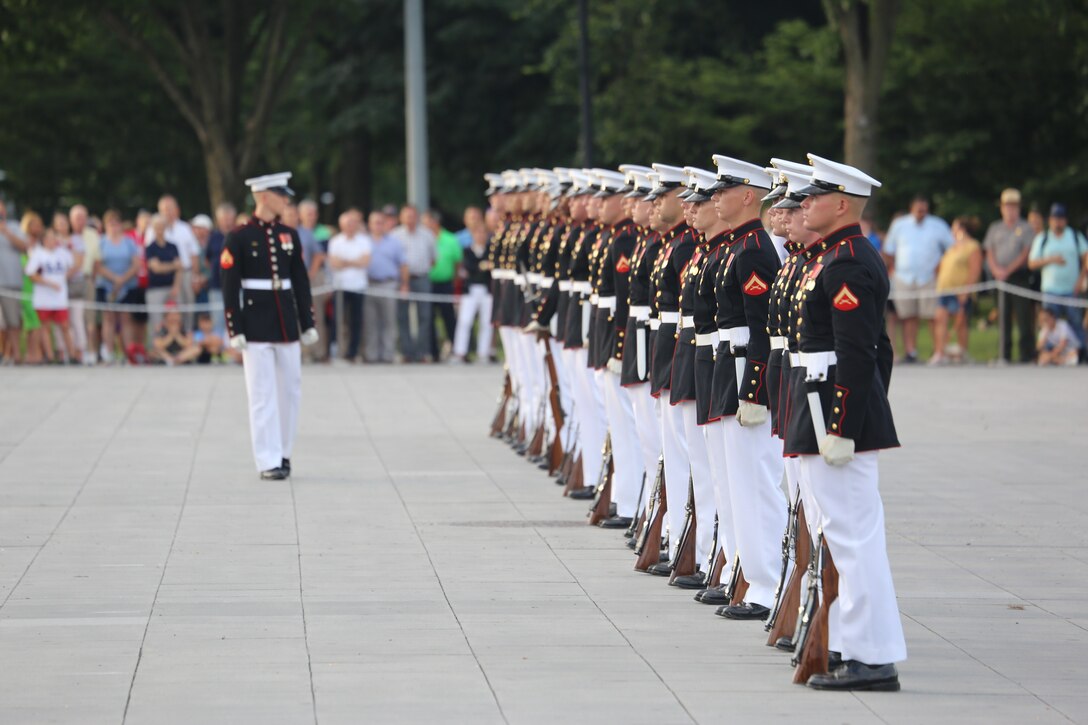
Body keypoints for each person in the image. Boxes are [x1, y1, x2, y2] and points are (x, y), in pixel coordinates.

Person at [788, 153, 905, 691]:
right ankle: (853, 645)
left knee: (853, 536)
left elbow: (860, 354)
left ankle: (871, 656)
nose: (802, 203)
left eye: (814, 196)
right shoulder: (836, 256)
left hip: (836, 413)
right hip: (825, 406)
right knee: (842, 532)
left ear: (841, 204)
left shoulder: (850, 262)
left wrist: (843, 426)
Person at [220, 172, 318, 480]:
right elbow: (229, 286)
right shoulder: (238, 236)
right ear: (263, 196)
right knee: (262, 393)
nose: (286, 199)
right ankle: (267, 459)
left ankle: (284, 452)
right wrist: (235, 328)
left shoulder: (289, 234)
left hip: (285, 320)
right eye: (280, 194)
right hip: (256, 320)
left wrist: (307, 321)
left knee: (291, 389)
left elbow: (300, 281)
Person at [882, 194, 952, 362]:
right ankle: (911, 351)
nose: (921, 212)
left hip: (929, 277)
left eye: (924, 210)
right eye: (919, 209)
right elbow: (889, 249)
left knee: (932, 315)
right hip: (904, 277)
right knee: (908, 316)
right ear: (912, 208)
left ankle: (938, 351)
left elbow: (951, 248)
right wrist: (893, 267)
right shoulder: (900, 225)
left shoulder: (937, 225)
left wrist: (940, 266)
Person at [982, 188, 1037, 363]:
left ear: (1018, 208)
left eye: (1013, 206)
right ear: (1002, 208)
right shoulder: (995, 228)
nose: (1010, 210)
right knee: (1003, 316)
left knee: (1023, 317)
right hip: (999, 277)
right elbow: (989, 251)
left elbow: (1026, 253)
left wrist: (1008, 270)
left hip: (1018, 276)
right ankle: (1004, 354)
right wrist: (996, 269)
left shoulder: (1025, 227)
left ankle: (1026, 354)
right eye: (1007, 206)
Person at [1028, 203, 1088, 353]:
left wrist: (1081, 279)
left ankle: (1082, 353)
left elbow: (1086, 257)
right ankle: (1048, 353)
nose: (1057, 222)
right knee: (1048, 324)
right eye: (1055, 218)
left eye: (1060, 218)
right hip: (1050, 290)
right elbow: (1032, 263)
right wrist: (1051, 259)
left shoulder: (1074, 236)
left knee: (1076, 322)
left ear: (1065, 220)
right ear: (1050, 220)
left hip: (1071, 289)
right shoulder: (1043, 238)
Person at [931, 216, 983, 365]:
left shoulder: (972, 246)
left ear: (961, 228)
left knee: (960, 322)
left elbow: (975, 270)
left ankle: (962, 352)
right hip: (944, 289)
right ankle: (940, 352)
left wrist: (966, 291)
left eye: (954, 227)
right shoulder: (952, 247)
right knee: (940, 319)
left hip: (960, 289)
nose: (952, 231)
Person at [95, 210, 141, 364]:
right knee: (108, 318)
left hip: (127, 284)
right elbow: (98, 265)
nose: (114, 227)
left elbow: (136, 264)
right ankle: (108, 352)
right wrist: (114, 278)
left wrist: (123, 279)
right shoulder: (101, 242)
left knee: (126, 318)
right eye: (110, 224)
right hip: (107, 285)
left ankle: (129, 352)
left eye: (116, 223)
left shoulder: (128, 242)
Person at [25, 227, 76, 363]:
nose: (52, 241)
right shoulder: (38, 254)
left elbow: (73, 267)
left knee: (64, 325)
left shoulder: (63, 253)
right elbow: (31, 274)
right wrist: (48, 283)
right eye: (48, 238)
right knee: (45, 327)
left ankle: (72, 354)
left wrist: (64, 278)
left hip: (60, 297)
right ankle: (50, 355)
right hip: (44, 297)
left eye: (54, 237)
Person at [391, 204, 436, 361]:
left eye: (412, 216)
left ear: (417, 217)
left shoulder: (427, 235)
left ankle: (421, 352)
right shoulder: (395, 235)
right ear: (401, 218)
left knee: (425, 316)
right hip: (401, 280)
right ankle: (407, 352)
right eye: (407, 216)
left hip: (422, 277)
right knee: (402, 316)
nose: (410, 219)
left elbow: (433, 259)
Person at [327, 209, 371, 362]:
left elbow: (365, 261)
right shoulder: (336, 241)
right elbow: (334, 263)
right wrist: (354, 262)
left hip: (358, 286)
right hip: (340, 286)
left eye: (352, 224)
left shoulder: (364, 240)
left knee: (356, 321)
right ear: (341, 225)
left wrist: (345, 262)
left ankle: (352, 352)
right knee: (338, 320)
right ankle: (336, 349)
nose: (350, 227)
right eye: (347, 224)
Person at [363, 211, 407, 363]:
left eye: (381, 222)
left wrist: (404, 284)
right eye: (375, 222)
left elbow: (403, 264)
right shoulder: (363, 241)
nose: (378, 226)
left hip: (388, 284)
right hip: (368, 284)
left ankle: (388, 354)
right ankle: (372, 354)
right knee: (370, 322)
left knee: (389, 321)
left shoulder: (394, 242)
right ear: (370, 224)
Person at [423, 209, 463, 361]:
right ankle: (433, 352)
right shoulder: (424, 238)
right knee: (429, 318)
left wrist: (454, 280)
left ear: (434, 222)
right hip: (428, 283)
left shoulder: (450, 239)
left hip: (446, 283)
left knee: (449, 318)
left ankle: (456, 349)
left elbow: (457, 263)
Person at [158, 194, 202, 329]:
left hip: (186, 274)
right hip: (164, 276)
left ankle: (187, 334)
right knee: (166, 310)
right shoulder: (154, 229)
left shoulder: (184, 228)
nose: (168, 212)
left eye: (170, 208)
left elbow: (194, 254)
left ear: (177, 210)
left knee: (187, 306)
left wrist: (195, 276)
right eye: (165, 209)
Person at [450, 225, 493, 362]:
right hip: (470, 290)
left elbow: (490, 268)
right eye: (477, 233)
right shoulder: (467, 251)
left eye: (482, 233)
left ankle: (483, 353)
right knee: (465, 321)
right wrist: (482, 266)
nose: (480, 236)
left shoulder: (490, 250)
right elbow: (469, 268)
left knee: (486, 322)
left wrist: (482, 267)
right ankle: (460, 351)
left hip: (487, 290)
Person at [0, 199, 28, 364]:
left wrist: (7, 232)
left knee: (13, 321)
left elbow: (25, 247)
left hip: (11, 281)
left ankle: (16, 354)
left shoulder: (15, 226)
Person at [144, 215, 182, 334]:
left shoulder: (173, 246)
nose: (160, 229)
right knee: (157, 322)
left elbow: (179, 268)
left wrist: (176, 286)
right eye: (157, 227)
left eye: (162, 227)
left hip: (172, 288)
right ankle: (156, 350)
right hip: (155, 289)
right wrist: (172, 265)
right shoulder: (150, 248)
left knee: (176, 320)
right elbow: (156, 268)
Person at [204, 202, 237, 338]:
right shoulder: (213, 237)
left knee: (236, 318)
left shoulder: (238, 235)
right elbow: (207, 259)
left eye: (229, 219)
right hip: (217, 286)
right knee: (218, 320)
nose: (227, 222)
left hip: (236, 285)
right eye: (224, 219)